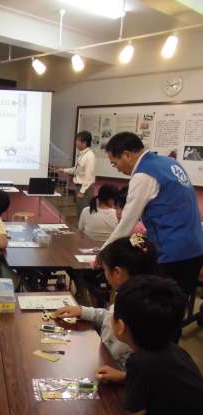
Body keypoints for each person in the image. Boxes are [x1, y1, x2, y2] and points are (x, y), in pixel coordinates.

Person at [108, 275, 203, 415]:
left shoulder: (139, 361)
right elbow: (164, 380)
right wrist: (125, 377)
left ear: (120, 326)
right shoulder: (176, 351)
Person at [103, 132, 203, 297]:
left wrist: (104, 253)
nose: (118, 169)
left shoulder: (143, 174)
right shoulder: (169, 162)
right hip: (195, 246)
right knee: (178, 301)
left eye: (115, 164)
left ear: (127, 155)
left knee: (161, 304)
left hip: (172, 250)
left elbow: (127, 222)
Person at [55, 234, 157, 378]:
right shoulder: (133, 294)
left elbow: (151, 368)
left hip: (121, 376)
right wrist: (82, 311)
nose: (104, 274)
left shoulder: (140, 308)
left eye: (104, 269)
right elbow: (109, 316)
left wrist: (123, 376)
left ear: (117, 273)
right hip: (109, 363)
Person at [59, 130, 96, 217]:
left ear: (84, 143)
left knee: (84, 213)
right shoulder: (82, 154)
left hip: (85, 188)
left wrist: (82, 191)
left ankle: (82, 226)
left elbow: (89, 176)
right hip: (79, 187)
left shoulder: (89, 156)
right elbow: (76, 169)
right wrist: (64, 170)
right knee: (80, 212)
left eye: (78, 140)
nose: (76, 142)